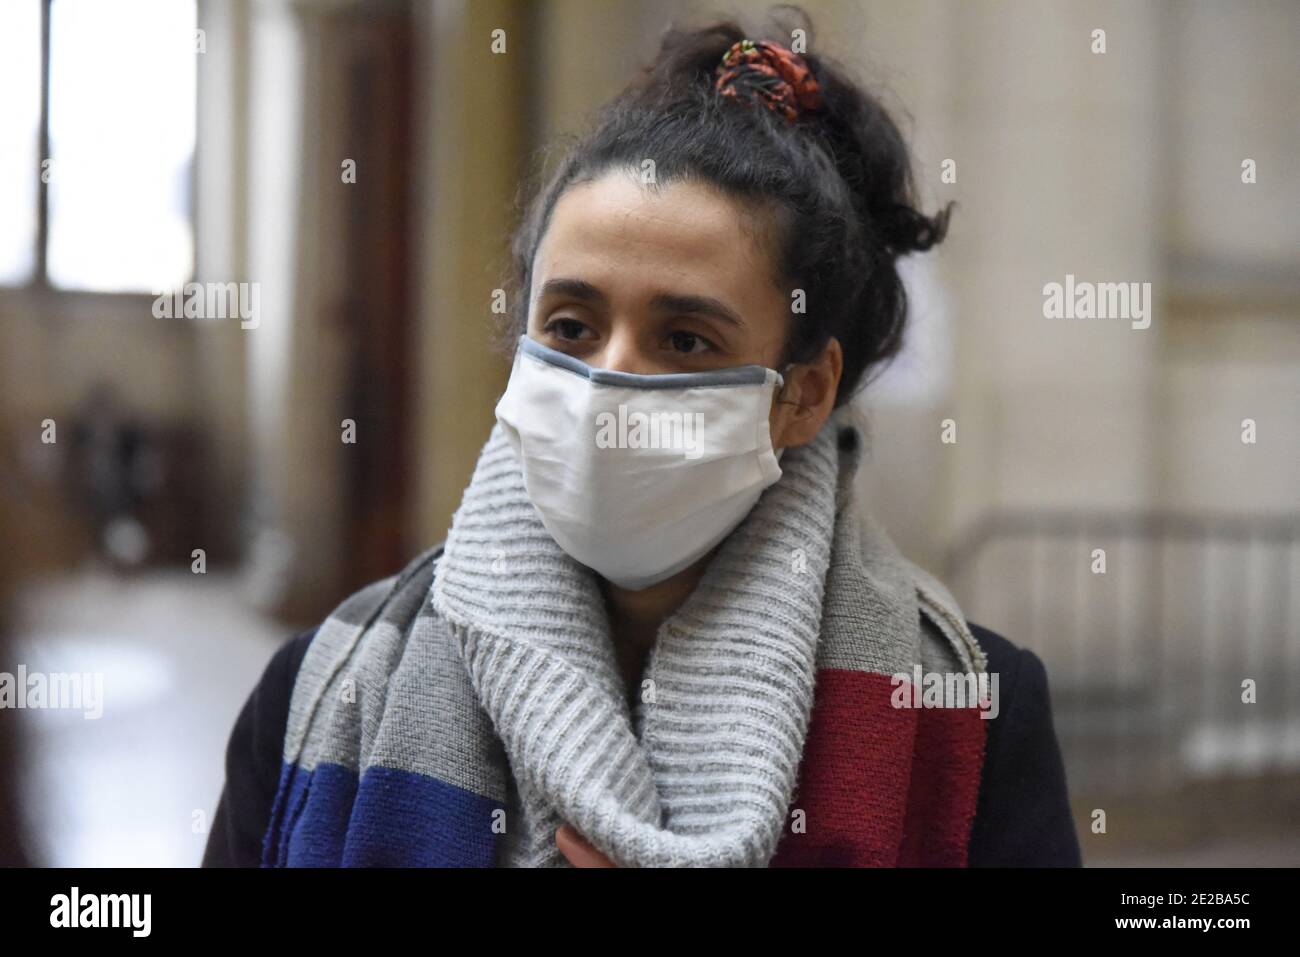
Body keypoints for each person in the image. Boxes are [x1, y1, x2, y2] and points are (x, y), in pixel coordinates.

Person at [205, 10, 1081, 868]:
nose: (608, 386)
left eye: (686, 339)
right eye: (572, 325)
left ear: (802, 395)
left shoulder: (969, 712)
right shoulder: (322, 686)